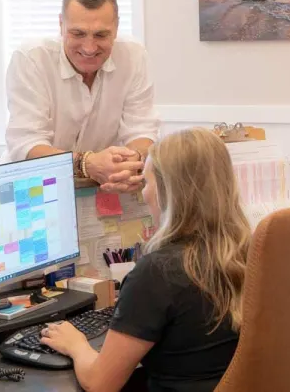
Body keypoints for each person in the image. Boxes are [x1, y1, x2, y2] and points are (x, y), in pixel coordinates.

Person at [41, 128, 252, 392]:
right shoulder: (249, 251)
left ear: (169, 193)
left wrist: (76, 345)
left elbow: (100, 383)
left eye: (148, 183)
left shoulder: (158, 272)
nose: (143, 194)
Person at [4, 0, 159, 193]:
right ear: (61, 25)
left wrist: (132, 162)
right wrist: (87, 163)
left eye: (101, 35)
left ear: (116, 27)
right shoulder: (30, 58)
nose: (89, 47)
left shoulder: (134, 55)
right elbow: (27, 144)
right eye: (78, 33)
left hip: (102, 188)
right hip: (31, 187)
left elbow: (141, 130)